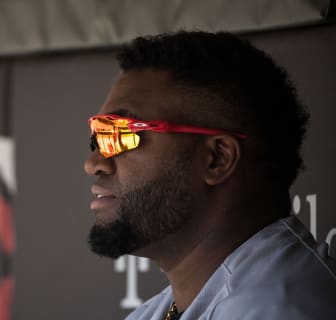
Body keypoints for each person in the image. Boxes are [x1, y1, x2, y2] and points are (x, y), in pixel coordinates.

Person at [83, 31, 336, 320]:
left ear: (218, 159)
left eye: (121, 133)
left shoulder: (278, 307)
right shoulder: (157, 312)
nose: (94, 163)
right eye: (99, 137)